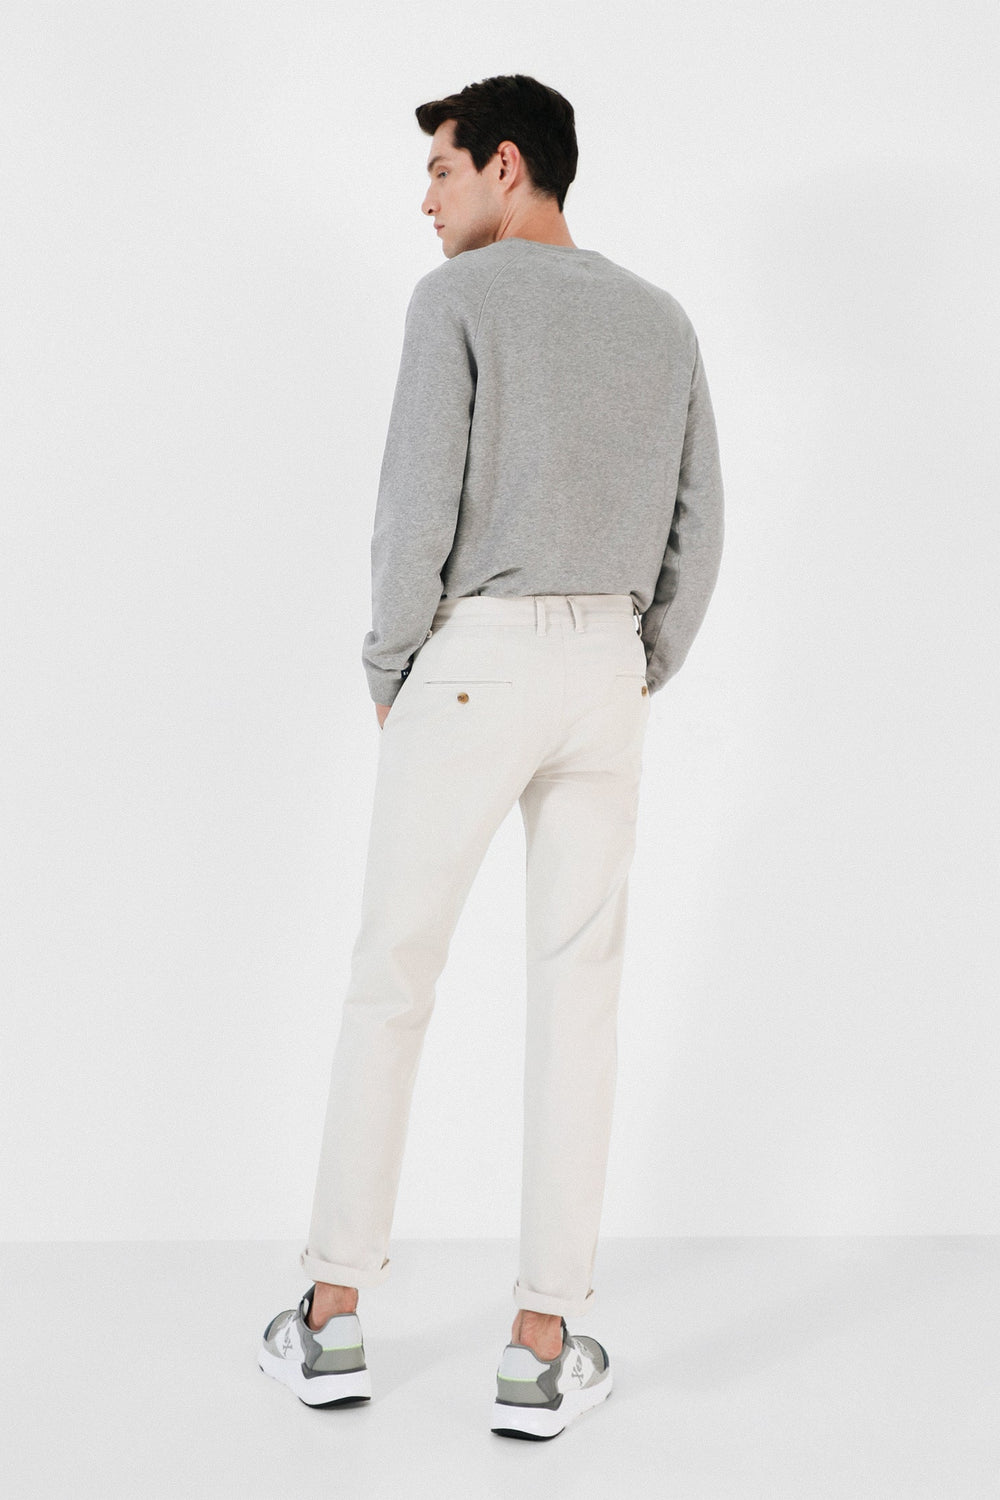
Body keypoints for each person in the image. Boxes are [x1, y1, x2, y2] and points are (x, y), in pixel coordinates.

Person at [259, 72, 724, 1440]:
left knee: (393, 977)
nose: (426, 198)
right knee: (581, 997)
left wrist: (391, 665)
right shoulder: (662, 319)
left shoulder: (454, 303)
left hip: (473, 662)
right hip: (606, 668)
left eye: (442, 169)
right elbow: (700, 521)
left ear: (508, 166)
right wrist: (639, 660)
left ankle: (332, 1318)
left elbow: (416, 504)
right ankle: (540, 1346)